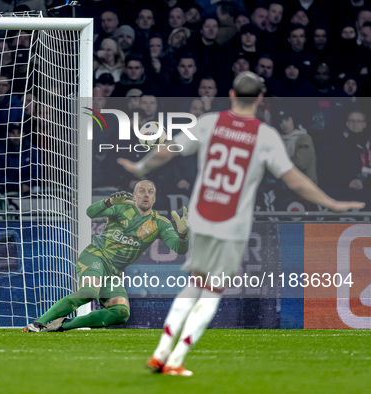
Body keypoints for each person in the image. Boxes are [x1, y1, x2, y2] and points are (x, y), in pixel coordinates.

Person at [117, 71, 365, 376]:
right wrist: (332, 202)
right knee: (211, 292)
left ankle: (160, 353)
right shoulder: (265, 136)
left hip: (203, 217)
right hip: (231, 225)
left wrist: (140, 166)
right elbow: (294, 180)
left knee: (195, 283)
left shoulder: (209, 123)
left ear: (232, 95)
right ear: (260, 99)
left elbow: (169, 149)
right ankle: (176, 359)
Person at [23, 181, 189, 332]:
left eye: (150, 192)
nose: (146, 194)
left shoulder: (160, 223)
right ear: (134, 195)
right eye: (142, 191)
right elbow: (90, 212)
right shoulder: (122, 208)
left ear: (154, 199)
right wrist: (108, 202)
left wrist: (182, 235)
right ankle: (38, 323)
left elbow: (179, 249)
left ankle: (63, 325)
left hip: (114, 272)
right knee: (88, 292)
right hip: (96, 256)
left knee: (121, 313)